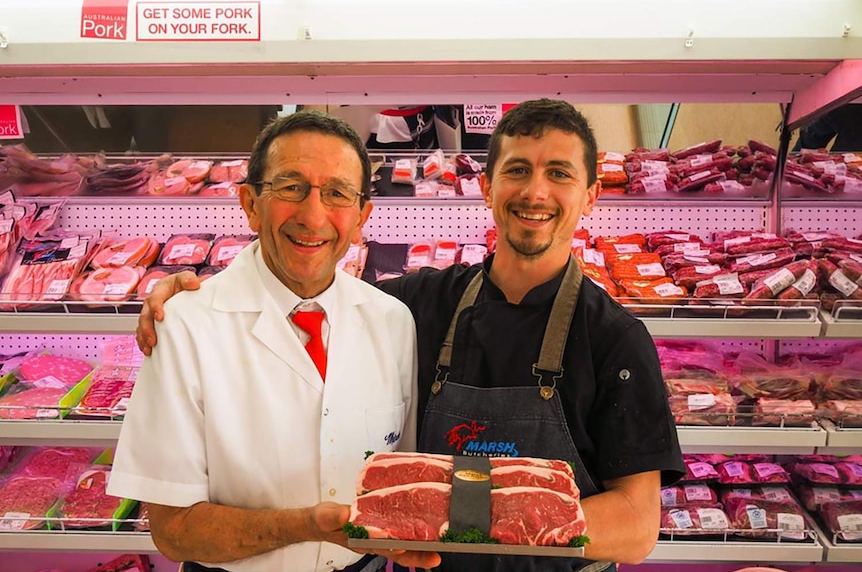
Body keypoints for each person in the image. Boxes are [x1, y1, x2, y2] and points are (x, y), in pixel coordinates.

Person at [136, 99, 686, 572]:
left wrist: (493, 518)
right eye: (517, 170)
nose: (535, 192)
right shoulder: (414, 305)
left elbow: (637, 526)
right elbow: (308, 284)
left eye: (560, 174)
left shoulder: (617, 339)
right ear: (488, 187)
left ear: (591, 195)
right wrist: (199, 294)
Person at [108, 111, 440, 572]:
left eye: (337, 193)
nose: (312, 215)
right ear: (250, 203)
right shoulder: (186, 324)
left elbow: (393, 482)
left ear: (362, 215)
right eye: (291, 187)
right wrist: (305, 526)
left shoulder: (391, 320)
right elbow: (173, 530)